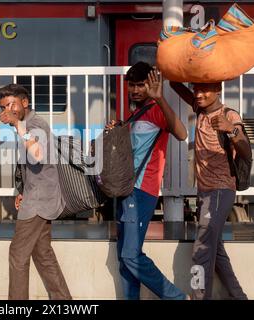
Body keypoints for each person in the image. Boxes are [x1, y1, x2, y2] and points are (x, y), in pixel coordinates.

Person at [107, 61, 188, 300]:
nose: (135, 90)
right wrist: (118, 130)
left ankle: (177, 297)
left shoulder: (155, 109)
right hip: (127, 189)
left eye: (140, 85)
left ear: (152, 85)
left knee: (131, 255)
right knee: (124, 257)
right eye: (132, 85)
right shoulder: (134, 114)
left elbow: (182, 134)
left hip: (143, 190)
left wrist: (161, 99)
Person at [170, 80, 250, 300]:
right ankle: (238, 296)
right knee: (217, 252)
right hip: (205, 193)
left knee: (201, 251)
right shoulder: (199, 108)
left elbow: (245, 150)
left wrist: (231, 130)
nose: (198, 94)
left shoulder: (230, 116)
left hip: (220, 190)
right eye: (196, 88)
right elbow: (175, 85)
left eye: (204, 89)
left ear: (218, 90)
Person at [0, 83, 71, 300]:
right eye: (3, 107)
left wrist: (19, 126)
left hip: (39, 201)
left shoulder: (35, 124)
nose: (7, 111)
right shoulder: (26, 124)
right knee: (43, 255)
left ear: (25, 103)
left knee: (18, 255)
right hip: (38, 196)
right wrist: (22, 190)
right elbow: (35, 165)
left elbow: (37, 154)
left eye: (11, 105)